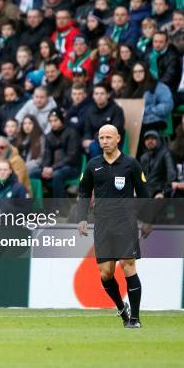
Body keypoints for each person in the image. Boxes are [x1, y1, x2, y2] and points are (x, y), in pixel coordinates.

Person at [77, 124, 152, 329]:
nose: (104, 141)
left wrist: (147, 219)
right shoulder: (93, 165)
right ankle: (122, 309)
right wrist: (81, 217)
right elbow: (84, 192)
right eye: (101, 138)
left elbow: (144, 193)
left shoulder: (130, 164)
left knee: (128, 266)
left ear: (118, 138)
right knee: (105, 273)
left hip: (125, 224)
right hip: (102, 224)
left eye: (108, 137)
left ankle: (135, 319)